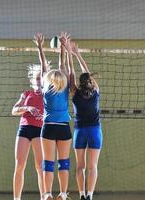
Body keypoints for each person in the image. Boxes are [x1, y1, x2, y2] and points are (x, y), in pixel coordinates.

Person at [61, 36, 103, 200]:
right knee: (93, 166)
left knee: (80, 166)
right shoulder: (96, 92)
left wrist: (69, 53)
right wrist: (77, 53)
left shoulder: (74, 93)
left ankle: (81, 195)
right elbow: (86, 73)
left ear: (79, 82)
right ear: (91, 82)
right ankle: (89, 196)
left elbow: (71, 72)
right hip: (95, 131)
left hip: (80, 131)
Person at [33, 32, 72, 200]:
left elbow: (43, 66)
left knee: (48, 164)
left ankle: (47, 194)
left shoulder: (45, 88)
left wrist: (40, 47)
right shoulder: (64, 86)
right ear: (61, 78)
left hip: (48, 127)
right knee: (64, 164)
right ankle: (63, 194)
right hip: (63, 128)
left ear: (48, 78)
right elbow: (62, 64)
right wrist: (63, 46)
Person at [12, 64, 44, 200]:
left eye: (41, 78)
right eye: (36, 78)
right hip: (24, 129)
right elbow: (14, 110)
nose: (39, 81)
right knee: (19, 166)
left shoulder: (47, 95)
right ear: (32, 80)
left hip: (39, 130)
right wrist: (28, 108)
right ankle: (17, 198)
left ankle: (44, 197)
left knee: (40, 167)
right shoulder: (26, 94)